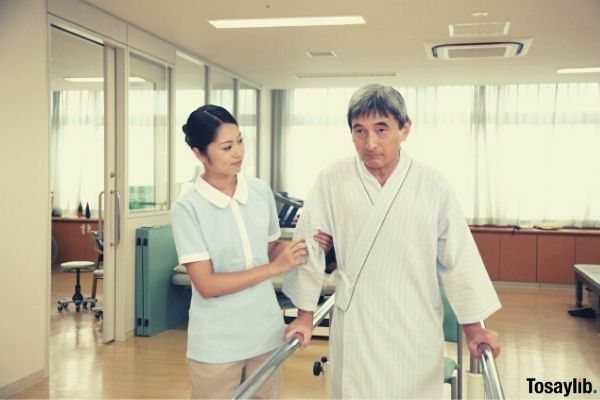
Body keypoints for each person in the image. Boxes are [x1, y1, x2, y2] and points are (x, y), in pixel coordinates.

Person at [283, 84, 502, 399]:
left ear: (405, 128)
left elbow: (458, 260)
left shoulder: (433, 185)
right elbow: (311, 249)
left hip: (414, 322)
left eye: (381, 129)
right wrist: (304, 318)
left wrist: (474, 328)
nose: (370, 143)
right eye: (360, 131)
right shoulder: (332, 179)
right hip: (357, 323)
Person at [171, 104, 330, 399]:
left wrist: (305, 248)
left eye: (241, 141)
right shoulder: (188, 207)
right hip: (216, 345)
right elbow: (206, 285)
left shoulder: (258, 191)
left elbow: (269, 249)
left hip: (265, 334)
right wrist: (275, 268)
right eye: (227, 146)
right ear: (199, 153)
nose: (239, 153)